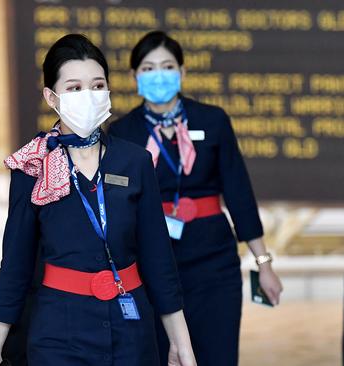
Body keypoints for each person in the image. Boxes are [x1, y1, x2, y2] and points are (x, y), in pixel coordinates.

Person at [0, 34, 196, 366]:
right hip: (59, 332)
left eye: (97, 86)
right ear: (51, 97)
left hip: (131, 328)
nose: (88, 96)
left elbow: (158, 258)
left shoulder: (135, 161)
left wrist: (181, 342)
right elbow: (17, 264)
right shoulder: (31, 165)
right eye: (75, 88)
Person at [108, 30, 284, 366]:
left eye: (167, 66)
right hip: (151, 260)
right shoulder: (122, 132)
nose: (158, 74)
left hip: (213, 260)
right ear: (134, 77)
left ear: (183, 72)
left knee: (217, 352)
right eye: (148, 68)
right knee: (160, 355)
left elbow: (239, 194)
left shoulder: (212, 120)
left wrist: (264, 265)